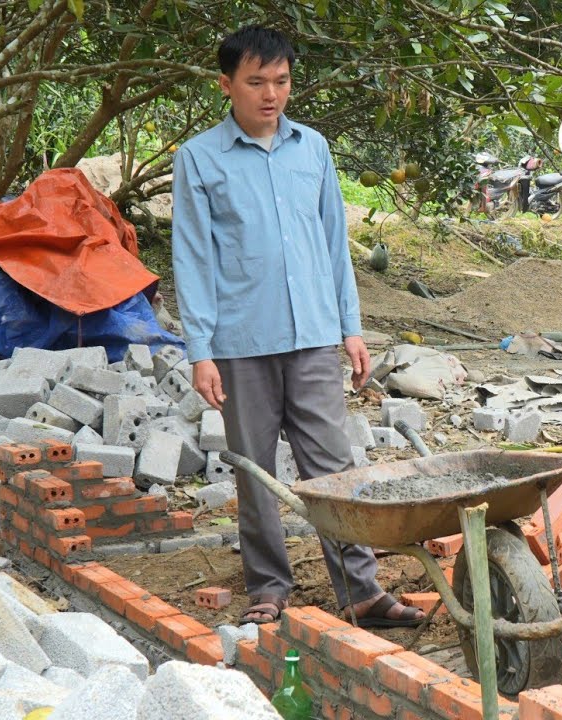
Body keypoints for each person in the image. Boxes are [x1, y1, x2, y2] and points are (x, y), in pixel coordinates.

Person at [171, 26, 423, 628]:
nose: (270, 94)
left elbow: (335, 243)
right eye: (255, 82)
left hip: (312, 336)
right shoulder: (200, 159)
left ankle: (361, 591)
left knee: (333, 468)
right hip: (240, 342)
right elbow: (194, 259)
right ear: (226, 84)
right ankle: (267, 587)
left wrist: (351, 326)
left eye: (280, 81)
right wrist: (200, 350)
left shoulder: (312, 149)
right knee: (255, 468)